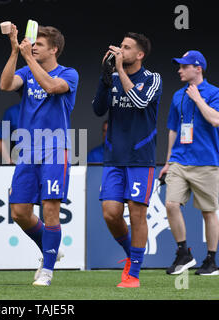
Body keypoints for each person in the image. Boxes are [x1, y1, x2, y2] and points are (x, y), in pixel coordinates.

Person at [0, 24, 79, 286]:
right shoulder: (26, 68)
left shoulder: (69, 73)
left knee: (50, 209)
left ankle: (47, 270)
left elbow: (51, 87)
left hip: (55, 150)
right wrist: (14, 52)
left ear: (54, 49)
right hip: (28, 151)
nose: (34, 47)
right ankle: (50, 251)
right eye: (34, 45)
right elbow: (6, 85)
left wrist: (28, 59)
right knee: (20, 212)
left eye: (40, 45)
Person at [92, 32, 162, 288]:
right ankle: (131, 255)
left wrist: (119, 71)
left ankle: (133, 274)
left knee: (137, 214)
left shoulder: (153, 79)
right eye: (120, 46)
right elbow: (98, 109)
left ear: (140, 54)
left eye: (126, 47)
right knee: (110, 213)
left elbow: (141, 101)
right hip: (114, 156)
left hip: (140, 158)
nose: (120, 50)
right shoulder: (111, 77)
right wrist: (104, 75)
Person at [159, 50, 219, 276]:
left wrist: (198, 99)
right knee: (171, 204)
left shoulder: (216, 93)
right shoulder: (178, 95)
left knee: (208, 212)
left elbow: (216, 120)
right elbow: (172, 129)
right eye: (179, 66)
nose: (179, 70)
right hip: (179, 160)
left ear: (197, 68)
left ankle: (211, 261)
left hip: (206, 162)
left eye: (183, 66)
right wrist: (168, 161)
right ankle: (183, 253)